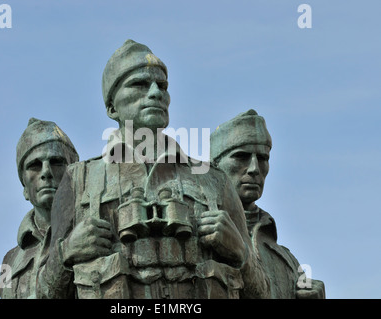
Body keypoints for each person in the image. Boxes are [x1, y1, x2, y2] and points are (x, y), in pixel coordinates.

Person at [36, 40, 270, 299]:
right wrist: (66, 251)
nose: (156, 93)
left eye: (163, 86)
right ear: (112, 107)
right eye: (139, 84)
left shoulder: (214, 181)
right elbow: (45, 294)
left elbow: (262, 294)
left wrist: (241, 253)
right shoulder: (78, 181)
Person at [210, 109, 325, 298]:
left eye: (262, 158)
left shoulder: (287, 262)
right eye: (241, 156)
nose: (254, 168)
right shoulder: (194, 232)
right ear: (214, 165)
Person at [0, 118, 79, 299]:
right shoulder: (10, 261)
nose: (46, 172)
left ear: (75, 173)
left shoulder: (91, 229)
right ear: (25, 188)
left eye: (57, 162)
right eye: (34, 165)